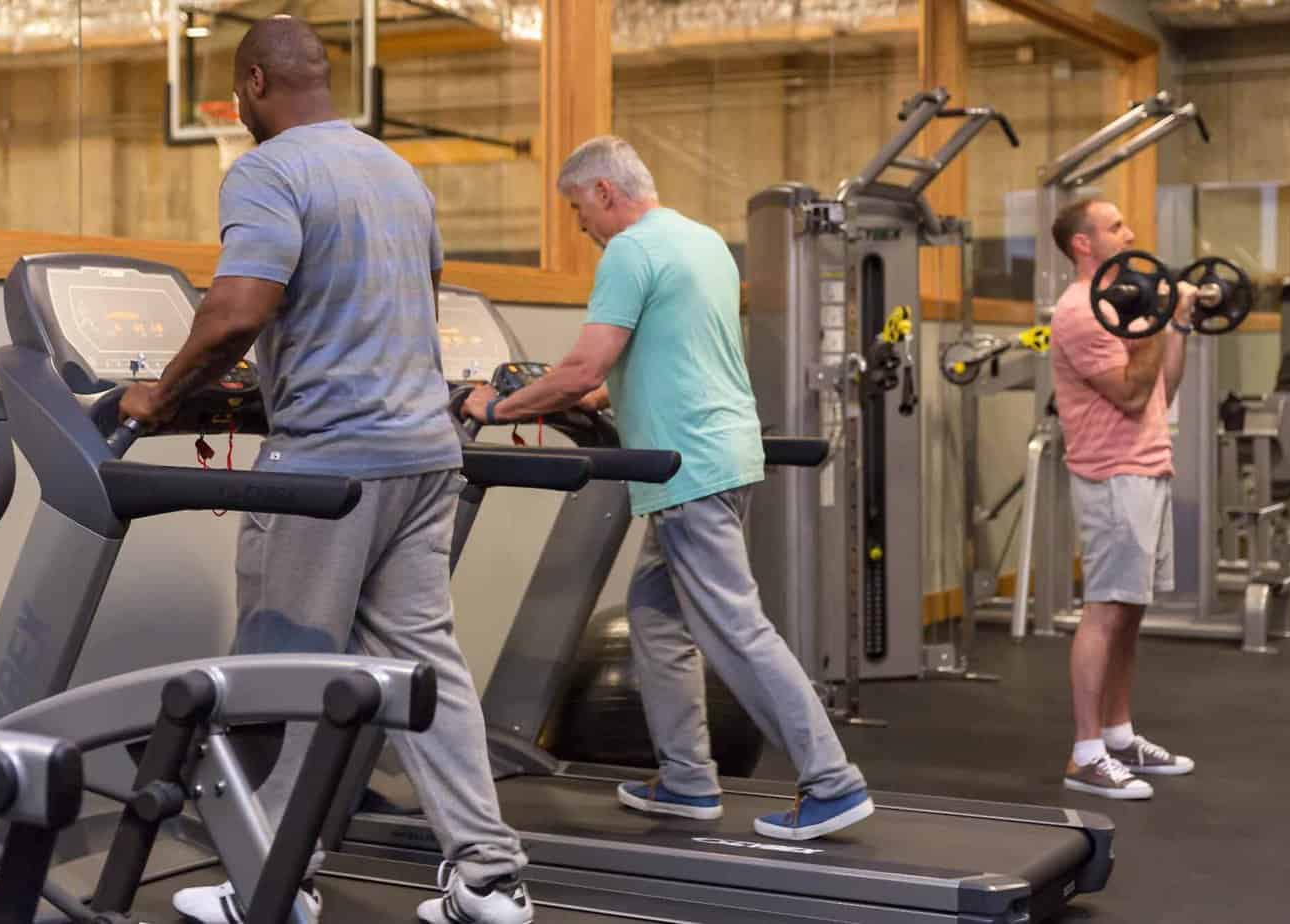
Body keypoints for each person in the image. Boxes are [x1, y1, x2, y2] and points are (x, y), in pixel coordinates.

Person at [117, 17, 532, 924]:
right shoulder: (396, 172)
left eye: (238, 98)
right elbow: (396, 308)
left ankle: (271, 881)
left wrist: (159, 395)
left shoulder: (267, 170)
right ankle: (490, 879)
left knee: (283, 668)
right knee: (428, 666)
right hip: (424, 456)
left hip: (328, 466)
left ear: (257, 84)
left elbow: (237, 310)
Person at [462, 135, 871, 841]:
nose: (580, 226)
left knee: (735, 628)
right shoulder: (700, 239)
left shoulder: (628, 251)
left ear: (603, 194)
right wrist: (592, 400)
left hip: (687, 472)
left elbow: (585, 365)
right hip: (717, 457)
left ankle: (832, 782)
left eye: (576, 208)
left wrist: (492, 408)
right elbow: (669, 351)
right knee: (655, 619)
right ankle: (686, 780)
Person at [1048, 197, 1199, 800]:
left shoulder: (1120, 307)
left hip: (1147, 467)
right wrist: (1162, 315)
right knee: (1106, 607)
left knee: (1130, 610)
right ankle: (1086, 753)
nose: (1130, 233)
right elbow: (1131, 396)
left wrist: (1177, 322)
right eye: (1115, 227)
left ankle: (1117, 733)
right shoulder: (1083, 312)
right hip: (1112, 474)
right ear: (1083, 244)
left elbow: (1162, 385)